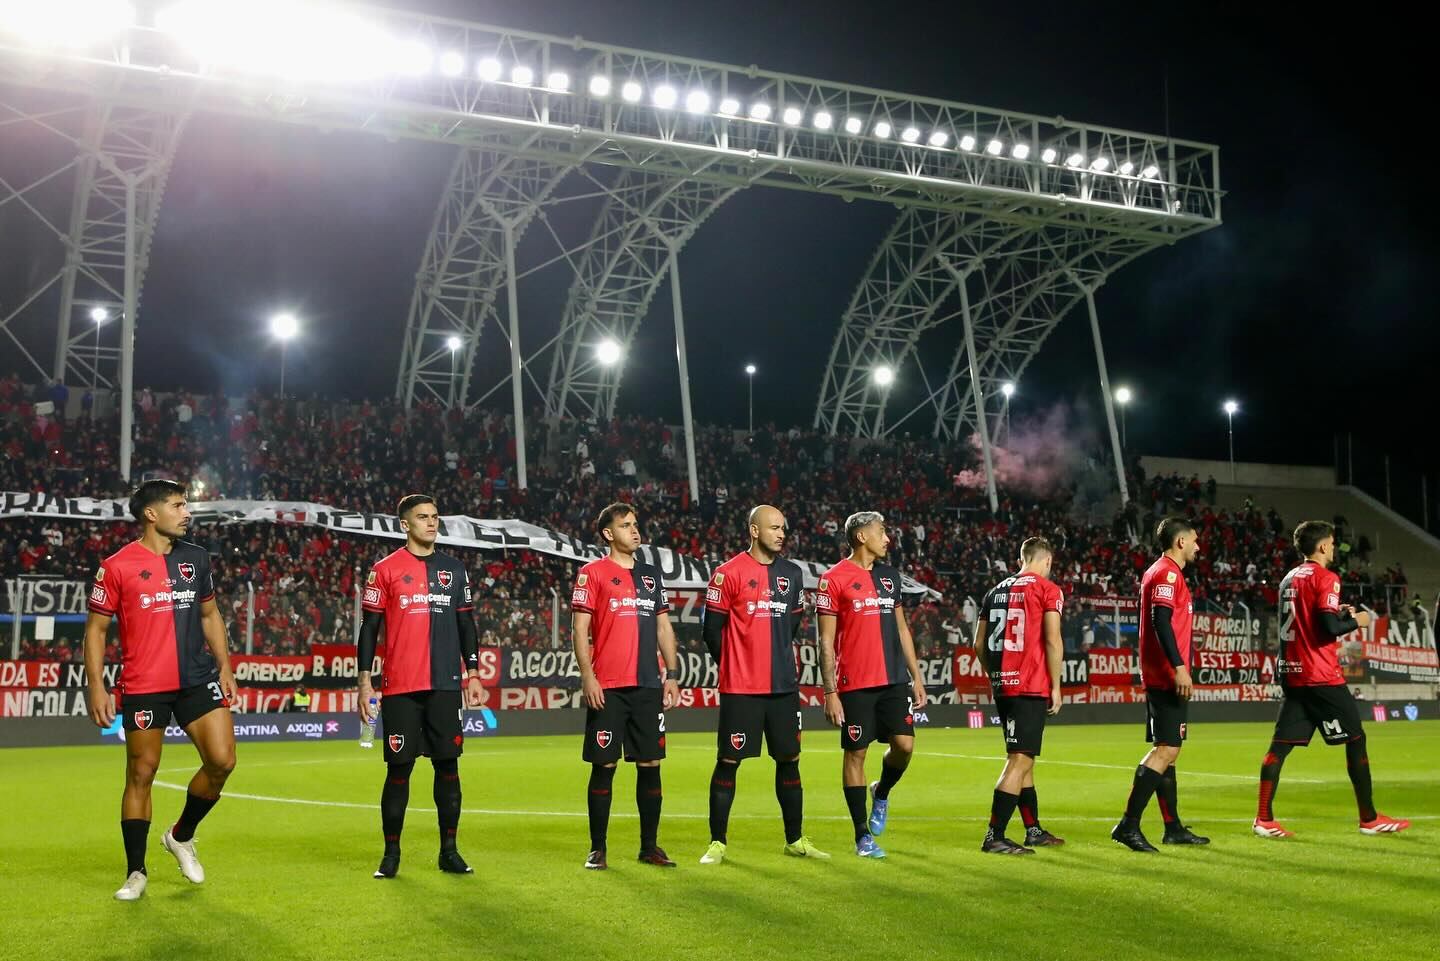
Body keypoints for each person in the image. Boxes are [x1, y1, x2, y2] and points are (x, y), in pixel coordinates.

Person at [84, 479, 238, 902]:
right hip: (145, 685)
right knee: (141, 773)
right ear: (151, 514)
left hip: (197, 678)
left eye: (185, 504)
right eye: (178, 505)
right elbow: (96, 631)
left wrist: (225, 666)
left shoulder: (197, 558)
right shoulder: (116, 566)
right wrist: (96, 686)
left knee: (222, 761)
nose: (187, 512)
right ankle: (136, 872)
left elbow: (210, 614)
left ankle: (180, 835)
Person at [1253, 521, 1410, 838]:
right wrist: (1357, 620)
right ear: (1323, 546)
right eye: (1333, 543)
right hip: (1320, 675)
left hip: (1292, 672)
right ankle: (1369, 818)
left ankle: (1263, 819)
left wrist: (1336, 613)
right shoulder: (1326, 577)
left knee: (1279, 747)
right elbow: (1329, 630)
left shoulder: (1288, 579)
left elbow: (1310, 620)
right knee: (1356, 739)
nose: (1335, 548)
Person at [358, 494, 485, 879]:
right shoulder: (384, 570)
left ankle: (449, 851)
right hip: (400, 689)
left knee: (448, 769)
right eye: (423, 517)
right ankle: (391, 855)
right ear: (404, 524)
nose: (431, 523)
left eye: (435, 517)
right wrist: (365, 682)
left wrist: (474, 673)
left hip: (445, 686)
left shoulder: (454, 570)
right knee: (399, 770)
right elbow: (370, 628)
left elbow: (467, 625)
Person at [699, 505, 828, 864]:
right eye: (773, 527)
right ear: (754, 530)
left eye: (783, 528)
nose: (781, 533)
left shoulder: (792, 574)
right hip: (741, 689)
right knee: (728, 761)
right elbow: (712, 632)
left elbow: (792, 626)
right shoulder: (727, 574)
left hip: (783, 687)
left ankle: (794, 839)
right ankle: (717, 843)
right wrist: (738, 665)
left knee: (789, 760)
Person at [571, 502, 681, 870]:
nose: (634, 531)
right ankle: (597, 848)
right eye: (625, 526)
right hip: (609, 687)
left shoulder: (651, 576)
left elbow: (664, 628)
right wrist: (588, 676)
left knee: (651, 765)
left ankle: (649, 846)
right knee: (604, 766)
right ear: (608, 534)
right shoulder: (592, 573)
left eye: (636, 524)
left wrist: (673, 673)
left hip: (648, 686)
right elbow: (580, 629)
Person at [816, 511, 928, 859]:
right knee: (856, 754)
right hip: (855, 685)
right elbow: (824, 640)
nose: (888, 539)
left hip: (893, 679)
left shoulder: (890, 577)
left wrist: (916, 675)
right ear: (861, 536)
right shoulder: (832, 579)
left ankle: (881, 792)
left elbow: (902, 629)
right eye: (881, 532)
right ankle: (862, 836)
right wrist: (830, 691)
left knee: (905, 746)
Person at [1111, 516, 1210, 852]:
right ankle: (1128, 825)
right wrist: (1179, 667)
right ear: (1180, 542)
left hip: (1163, 673)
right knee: (1165, 750)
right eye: (1195, 540)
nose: (1198, 546)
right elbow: (1161, 620)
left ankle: (1173, 827)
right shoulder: (1167, 572)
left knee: (1171, 750)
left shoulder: (1165, 572)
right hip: (1166, 675)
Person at [975, 537, 1065, 855]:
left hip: (1004, 684)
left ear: (1020, 560)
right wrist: (1056, 685)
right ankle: (994, 836)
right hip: (1029, 685)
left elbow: (978, 643)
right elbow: (1053, 640)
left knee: (1024, 758)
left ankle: (1033, 830)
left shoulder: (994, 591)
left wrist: (995, 675)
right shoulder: (1047, 589)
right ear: (1047, 561)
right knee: (1020, 760)